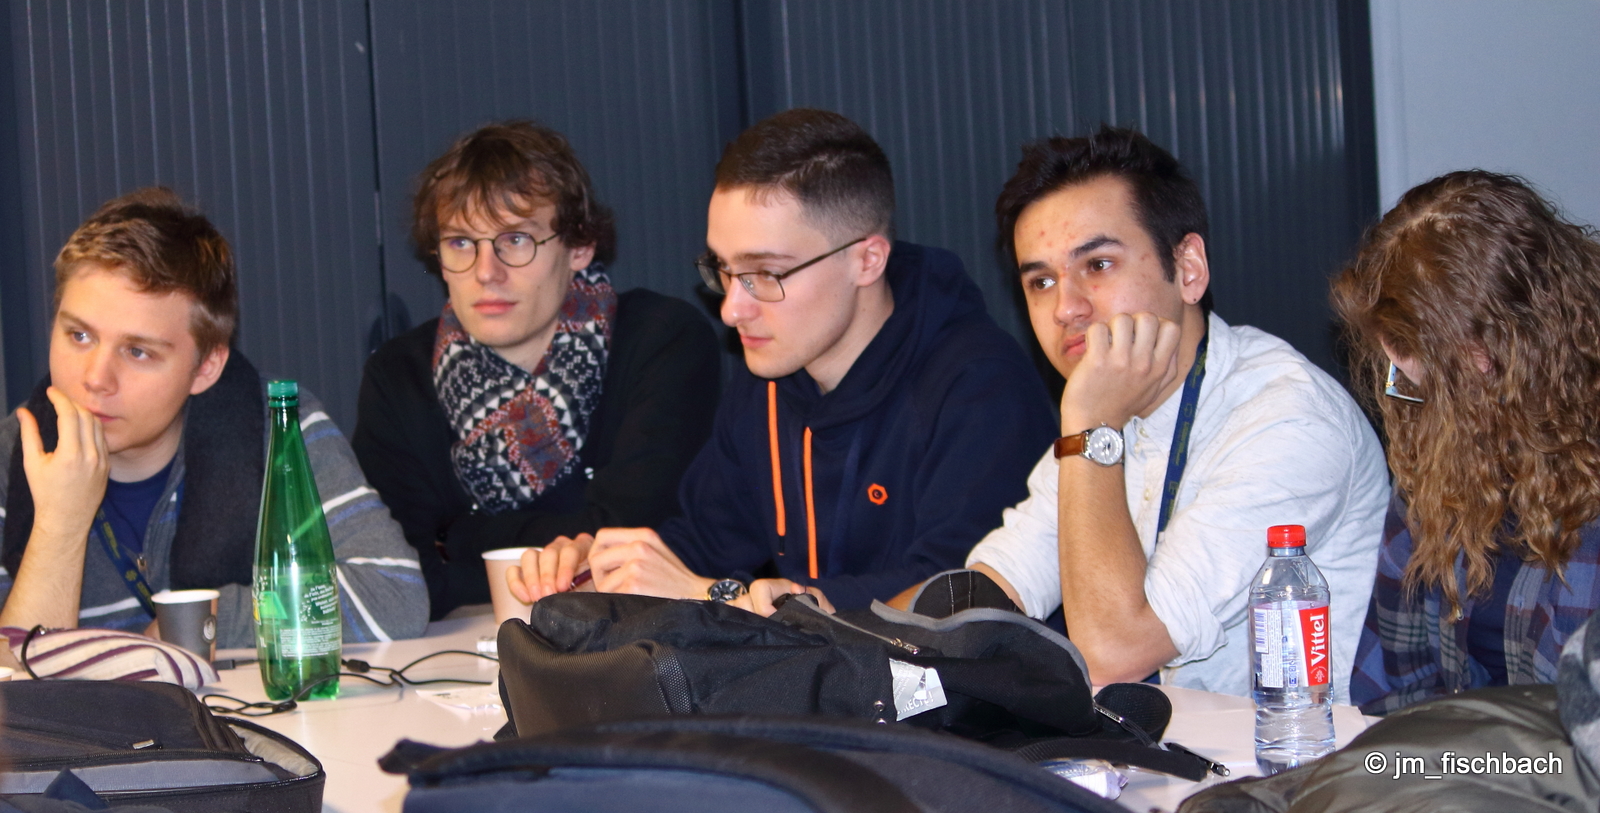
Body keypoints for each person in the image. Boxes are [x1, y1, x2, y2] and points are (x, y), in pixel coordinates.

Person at [510, 108, 1057, 614]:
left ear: (867, 260)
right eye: (723, 270)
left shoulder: (981, 386)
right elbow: (700, 546)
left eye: (765, 274)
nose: (732, 309)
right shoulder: (768, 380)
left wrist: (719, 597)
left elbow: (955, 598)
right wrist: (602, 567)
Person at [961, 125, 1389, 700]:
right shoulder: (1115, 407)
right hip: (1164, 752)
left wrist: (1091, 427)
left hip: (1294, 753)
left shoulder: (1291, 419)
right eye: (1041, 281)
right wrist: (858, 639)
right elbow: (986, 594)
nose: (1066, 308)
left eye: (1098, 265)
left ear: (1188, 269)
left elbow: (1114, 652)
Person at [0, 188, 428, 654]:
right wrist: (60, 525)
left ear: (206, 367)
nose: (95, 378)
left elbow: (394, 595)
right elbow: (12, 679)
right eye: (79, 335)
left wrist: (201, 621)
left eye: (137, 351)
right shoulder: (9, 458)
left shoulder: (277, 427)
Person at [352, 121, 720, 618]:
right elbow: (398, 577)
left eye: (516, 239)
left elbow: (632, 548)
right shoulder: (398, 377)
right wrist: (577, 536)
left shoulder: (661, 342)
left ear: (579, 246)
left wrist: (456, 535)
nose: (487, 272)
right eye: (460, 243)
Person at [1336, 170, 1600, 715]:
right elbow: (1392, 689)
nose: (1414, 403)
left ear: (1507, 348)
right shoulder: (1437, 450)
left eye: (1437, 381)